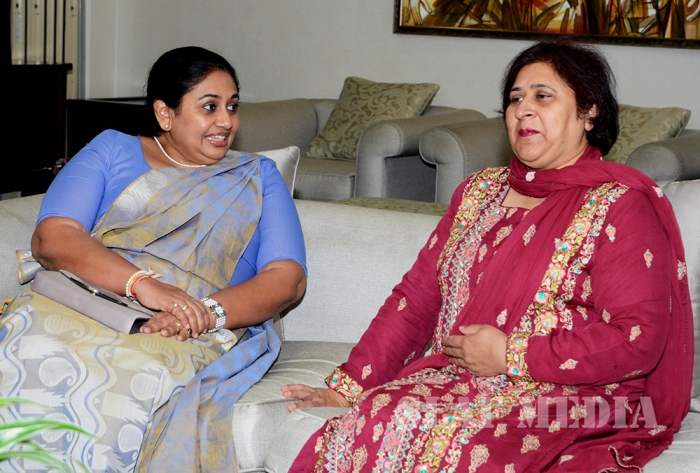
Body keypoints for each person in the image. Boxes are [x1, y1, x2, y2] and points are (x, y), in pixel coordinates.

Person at [282, 40, 692, 472]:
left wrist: (512, 354)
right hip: (460, 380)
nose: (523, 110)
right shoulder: (480, 192)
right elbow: (416, 300)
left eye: (543, 96)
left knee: (463, 442)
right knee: (380, 416)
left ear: (589, 112)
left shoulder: (620, 204)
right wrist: (348, 389)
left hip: (579, 398)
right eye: (515, 99)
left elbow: (636, 339)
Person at [0, 46, 306, 472]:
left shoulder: (255, 176)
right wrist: (144, 286)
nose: (227, 121)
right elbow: (54, 237)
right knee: (27, 344)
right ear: (165, 113)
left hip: (189, 326)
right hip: (89, 299)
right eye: (210, 107)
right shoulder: (112, 149)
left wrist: (203, 313)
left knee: (136, 372)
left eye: (232, 106)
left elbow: (287, 276)